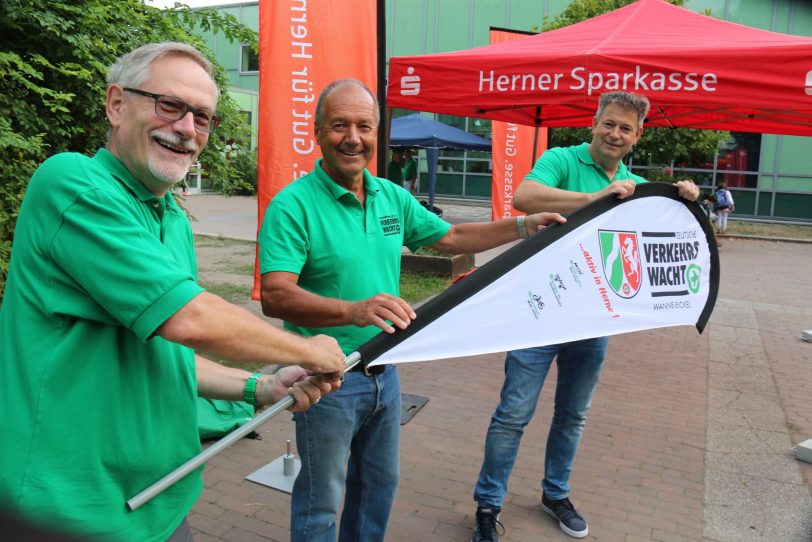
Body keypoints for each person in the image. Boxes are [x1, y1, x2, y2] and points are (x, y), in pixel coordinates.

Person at [0, 42, 346, 542]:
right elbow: (190, 319)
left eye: (203, 117)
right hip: (66, 509)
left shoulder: (172, 220)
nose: (187, 128)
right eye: (170, 105)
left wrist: (259, 388)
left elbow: (167, 352)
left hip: (161, 498)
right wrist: (307, 347)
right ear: (116, 105)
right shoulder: (73, 184)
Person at [257, 78, 565, 542]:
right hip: (325, 379)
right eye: (340, 125)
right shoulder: (293, 206)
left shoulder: (389, 196)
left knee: (379, 486)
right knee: (322, 500)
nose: (353, 138)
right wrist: (354, 310)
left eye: (364, 126)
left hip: (386, 373)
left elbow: (452, 239)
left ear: (377, 134)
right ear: (317, 131)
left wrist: (522, 225)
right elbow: (276, 293)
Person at [470, 91, 699, 541]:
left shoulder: (634, 183)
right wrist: (596, 196)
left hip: (591, 319)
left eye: (625, 128)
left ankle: (556, 494)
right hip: (537, 312)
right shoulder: (561, 158)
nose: (615, 134)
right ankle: (487, 504)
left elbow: (662, 234)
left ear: (636, 137)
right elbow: (524, 197)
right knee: (513, 414)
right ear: (594, 123)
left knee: (573, 414)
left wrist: (685, 198)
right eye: (609, 123)